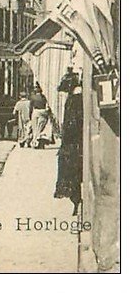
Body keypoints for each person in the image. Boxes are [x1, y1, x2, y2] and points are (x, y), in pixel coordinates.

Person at [54, 71, 83, 215]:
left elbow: (72, 124)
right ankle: (76, 202)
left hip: (73, 144)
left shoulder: (74, 99)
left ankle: (76, 202)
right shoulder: (76, 97)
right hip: (75, 142)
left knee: (72, 172)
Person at [30, 82, 53, 148]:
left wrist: (30, 115)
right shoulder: (43, 97)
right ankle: (38, 143)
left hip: (35, 112)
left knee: (34, 128)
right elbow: (47, 105)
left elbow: (31, 107)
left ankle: (35, 142)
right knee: (40, 129)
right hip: (43, 112)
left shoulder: (33, 97)